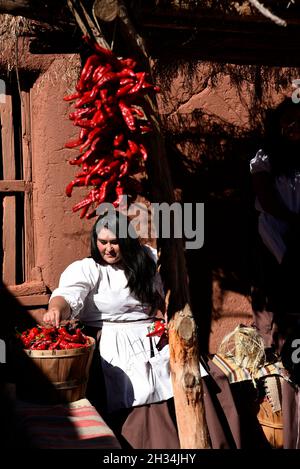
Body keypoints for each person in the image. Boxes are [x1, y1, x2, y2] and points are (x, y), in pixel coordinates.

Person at [43, 208, 179, 449]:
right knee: (137, 387)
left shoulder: (147, 259)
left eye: (115, 242)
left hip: (151, 336)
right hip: (110, 339)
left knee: (176, 381)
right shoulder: (89, 268)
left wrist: (171, 317)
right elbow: (67, 295)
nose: (108, 249)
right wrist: (56, 309)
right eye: (103, 242)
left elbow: (167, 292)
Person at [250, 97, 300, 354]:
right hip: (275, 231)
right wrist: (292, 220)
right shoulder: (266, 156)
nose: (293, 126)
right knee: (275, 290)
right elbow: (266, 197)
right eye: (287, 120)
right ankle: (273, 356)